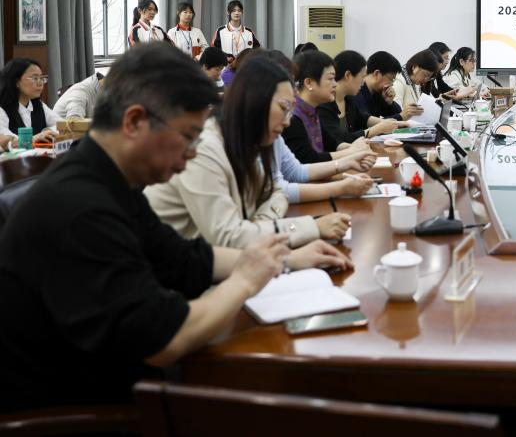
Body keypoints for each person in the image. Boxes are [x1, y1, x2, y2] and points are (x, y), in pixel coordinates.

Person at [0, 44, 351, 412]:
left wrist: (282, 260)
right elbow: (165, 339)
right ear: (135, 122)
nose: (192, 153)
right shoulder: (82, 207)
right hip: (82, 410)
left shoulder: (110, 180)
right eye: (186, 136)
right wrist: (247, 280)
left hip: (119, 378)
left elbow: (184, 257)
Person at [147, 56, 354, 248]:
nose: (288, 121)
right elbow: (229, 237)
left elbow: (276, 192)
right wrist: (311, 227)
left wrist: (262, 222)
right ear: (256, 102)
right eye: (284, 107)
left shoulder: (247, 142)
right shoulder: (204, 149)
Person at [282, 50, 378, 165]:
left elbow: (333, 144)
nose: (335, 84)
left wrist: (356, 148)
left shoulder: (310, 111)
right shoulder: (293, 116)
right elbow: (308, 159)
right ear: (309, 83)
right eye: (330, 78)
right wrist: (351, 151)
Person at [318, 50, 402, 143]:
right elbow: (339, 140)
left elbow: (364, 118)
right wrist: (376, 129)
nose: (362, 83)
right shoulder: (324, 103)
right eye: (362, 77)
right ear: (348, 75)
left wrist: (393, 123)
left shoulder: (348, 99)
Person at [351, 51, 422, 127]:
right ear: (377, 74)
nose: (392, 84)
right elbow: (366, 123)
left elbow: (395, 113)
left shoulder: (377, 92)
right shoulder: (356, 92)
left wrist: (390, 103)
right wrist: (401, 116)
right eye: (391, 79)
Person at [0, 57, 58, 149]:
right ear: (16, 82)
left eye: (42, 78)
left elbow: (62, 125)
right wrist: (35, 138)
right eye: (35, 78)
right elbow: (4, 140)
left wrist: (48, 131)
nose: (40, 83)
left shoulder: (38, 104)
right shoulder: (2, 108)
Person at [391, 49, 437, 115]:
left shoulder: (415, 83)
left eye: (428, 77)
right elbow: (395, 112)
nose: (425, 80)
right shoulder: (399, 81)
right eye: (425, 75)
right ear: (414, 67)